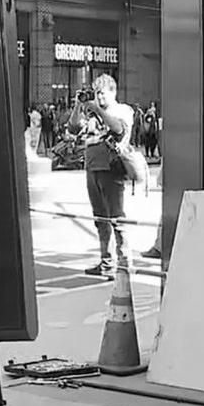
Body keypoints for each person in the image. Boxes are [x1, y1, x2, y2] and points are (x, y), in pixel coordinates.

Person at [68, 74, 135, 277]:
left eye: (102, 93)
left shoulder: (121, 110)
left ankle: (124, 261)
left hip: (112, 167)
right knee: (100, 218)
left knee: (116, 217)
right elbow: (73, 128)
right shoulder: (91, 113)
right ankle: (106, 262)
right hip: (92, 167)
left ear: (113, 91)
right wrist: (79, 106)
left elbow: (119, 130)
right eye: (97, 94)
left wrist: (97, 109)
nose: (100, 97)